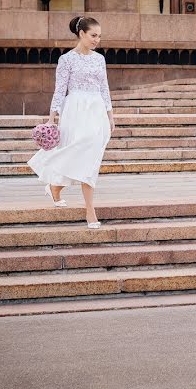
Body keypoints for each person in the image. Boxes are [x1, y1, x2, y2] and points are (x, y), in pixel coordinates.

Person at [28, 16, 115, 229]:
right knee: (76, 150)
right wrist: (51, 118)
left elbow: (104, 88)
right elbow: (60, 90)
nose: (97, 40)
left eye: (99, 36)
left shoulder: (99, 59)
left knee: (91, 157)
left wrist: (111, 116)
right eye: (93, 35)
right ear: (81, 34)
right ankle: (76, 201)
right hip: (75, 109)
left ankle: (67, 194)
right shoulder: (66, 60)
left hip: (96, 111)